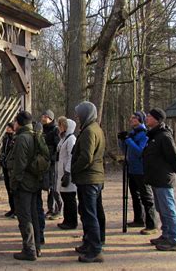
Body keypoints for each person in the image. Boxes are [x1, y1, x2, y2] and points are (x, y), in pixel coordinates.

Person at [143, 108, 176, 251]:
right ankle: (166, 234)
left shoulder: (164, 136)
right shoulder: (153, 135)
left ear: (157, 119)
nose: (146, 118)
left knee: (168, 208)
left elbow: (173, 155)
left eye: (149, 116)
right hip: (155, 178)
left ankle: (174, 239)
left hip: (163, 179)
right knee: (161, 208)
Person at [71, 101, 106, 263]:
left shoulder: (89, 131)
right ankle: (90, 243)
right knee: (91, 212)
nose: (77, 117)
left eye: (79, 114)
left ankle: (95, 249)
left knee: (89, 213)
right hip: (94, 178)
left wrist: (74, 169)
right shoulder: (95, 129)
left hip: (88, 178)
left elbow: (86, 157)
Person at [7, 111, 41, 261]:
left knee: (24, 217)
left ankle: (29, 249)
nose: (13, 124)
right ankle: (37, 247)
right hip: (34, 181)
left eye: (15, 122)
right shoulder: (35, 135)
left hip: (24, 184)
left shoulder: (22, 138)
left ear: (19, 123)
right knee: (33, 216)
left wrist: (14, 183)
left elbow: (19, 164)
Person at [118, 111, 157, 235]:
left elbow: (140, 151)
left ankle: (151, 224)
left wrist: (128, 140)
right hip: (132, 169)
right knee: (135, 195)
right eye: (131, 118)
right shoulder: (133, 133)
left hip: (141, 170)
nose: (131, 120)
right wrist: (122, 140)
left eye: (134, 118)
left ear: (140, 119)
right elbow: (126, 150)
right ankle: (138, 219)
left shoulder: (144, 134)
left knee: (146, 196)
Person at [55, 116, 78, 230]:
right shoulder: (64, 139)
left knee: (70, 198)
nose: (59, 127)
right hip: (62, 172)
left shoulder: (71, 139)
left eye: (61, 125)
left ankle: (72, 221)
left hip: (67, 173)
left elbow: (71, 156)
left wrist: (68, 172)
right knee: (65, 197)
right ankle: (67, 219)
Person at [40, 110, 62, 220]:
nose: (43, 118)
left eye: (46, 116)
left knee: (53, 187)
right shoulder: (42, 130)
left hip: (52, 163)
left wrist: (53, 158)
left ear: (51, 118)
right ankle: (50, 208)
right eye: (43, 116)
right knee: (48, 187)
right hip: (44, 162)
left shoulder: (55, 130)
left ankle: (57, 209)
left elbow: (58, 146)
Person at [0, 122, 15, 218]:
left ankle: (16, 210)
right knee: (8, 188)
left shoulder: (14, 139)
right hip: (5, 166)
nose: (7, 128)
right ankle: (12, 208)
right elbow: (3, 150)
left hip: (11, 167)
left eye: (9, 127)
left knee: (13, 188)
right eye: (7, 127)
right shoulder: (5, 138)